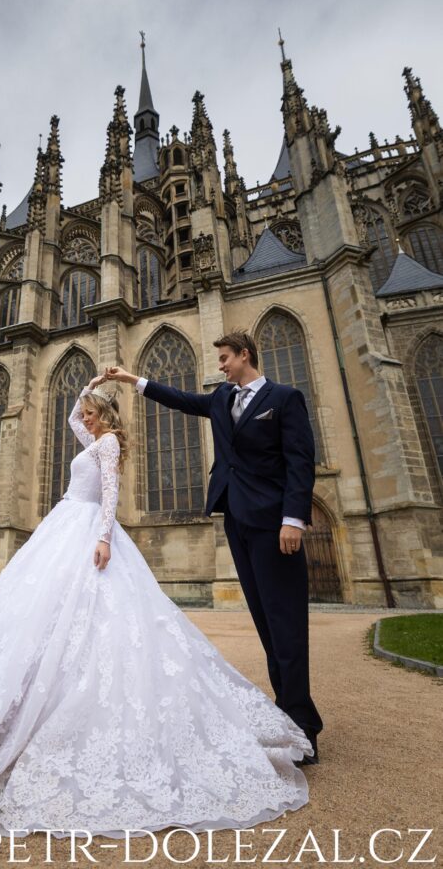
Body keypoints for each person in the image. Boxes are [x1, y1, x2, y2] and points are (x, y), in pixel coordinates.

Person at [0, 371, 314, 840]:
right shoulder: (92, 435)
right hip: (65, 526)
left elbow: (111, 494)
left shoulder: (109, 442)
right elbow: (74, 417)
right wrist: (85, 391)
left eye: (93, 416)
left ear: (106, 418)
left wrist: (104, 537)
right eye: (89, 417)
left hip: (89, 528)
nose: (86, 422)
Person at [106, 329, 323, 768]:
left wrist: (293, 519)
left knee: (286, 625)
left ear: (245, 356)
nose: (220, 365)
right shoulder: (223, 400)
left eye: (225, 358)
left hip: (274, 524)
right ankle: (287, 715)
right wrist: (132, 379)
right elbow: (180, 399)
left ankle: (304, 726)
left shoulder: (284, 398)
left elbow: (300, 460)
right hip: (238, 520)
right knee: (265, 623)